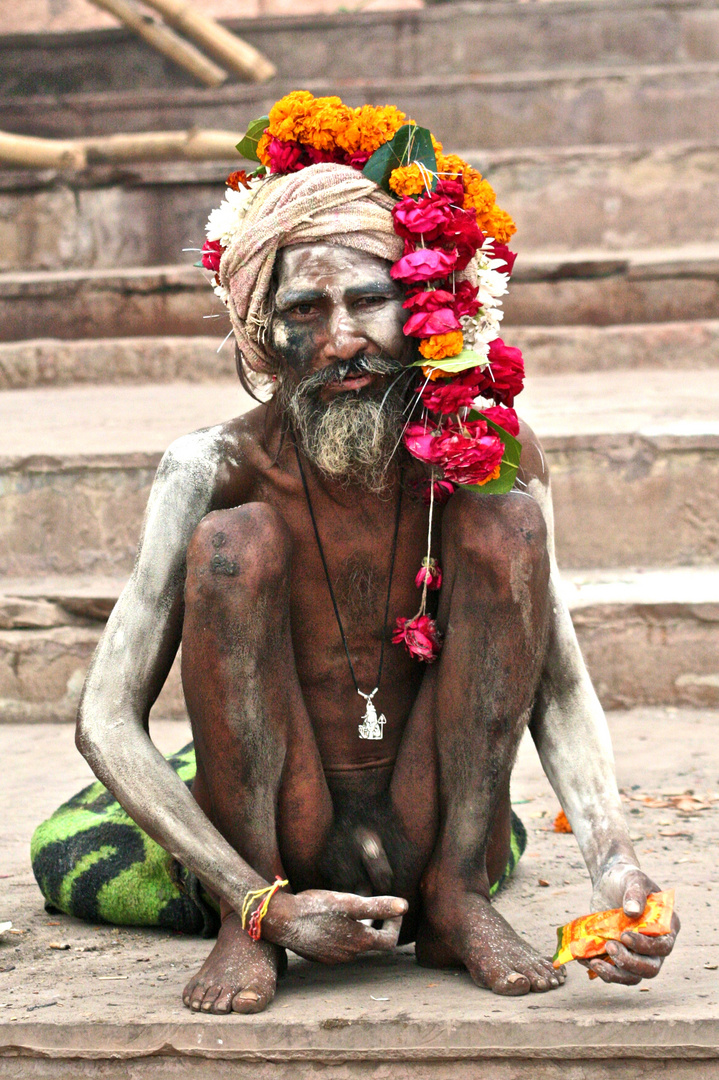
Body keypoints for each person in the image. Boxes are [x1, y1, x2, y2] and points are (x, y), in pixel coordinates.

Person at [31, 95, 678, 1015]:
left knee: (506, 524)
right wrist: (261, 903)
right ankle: (240, 924)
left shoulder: (493, 450)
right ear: (262, 335)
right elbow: (104, 717)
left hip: (441, 817)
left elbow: (561, 684)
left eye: (369, 300)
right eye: (305, 309)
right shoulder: (210, 468)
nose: (342, 341)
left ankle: (456, 903)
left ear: (421, 310)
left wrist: (618, 870)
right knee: (234, 544)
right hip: (276, 828)